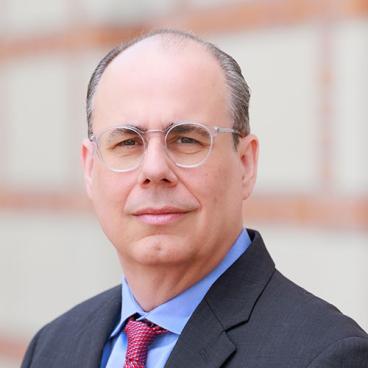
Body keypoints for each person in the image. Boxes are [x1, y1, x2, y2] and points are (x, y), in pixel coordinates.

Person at [21, 29, 368, 368]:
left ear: (245, 164)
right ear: (90, 169)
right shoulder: (52, 347)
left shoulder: (327, 355)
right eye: (127, 142)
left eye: (187, 139)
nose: (155, 169)